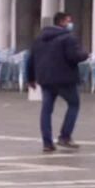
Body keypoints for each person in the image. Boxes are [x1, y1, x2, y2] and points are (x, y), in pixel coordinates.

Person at [32, 10, 86, 153]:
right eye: (69, 21)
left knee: (46, 110)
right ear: (62, 22)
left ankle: (47, 143)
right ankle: (65, 136)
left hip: (45, 79)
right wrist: (85, 54)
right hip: (64, 79)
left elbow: (31, 59)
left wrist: (30, 77)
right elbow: (73, 57)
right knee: (74, 104)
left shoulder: (40, 38)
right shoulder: (68, 38)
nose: (70, 24)